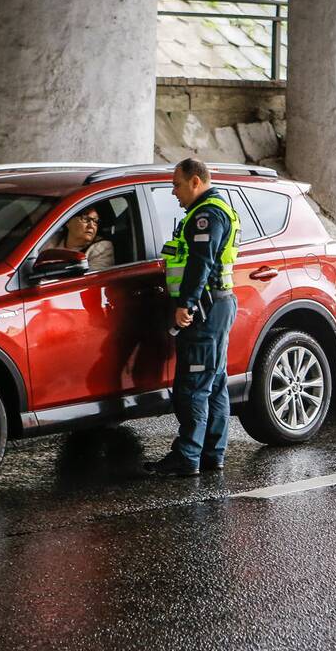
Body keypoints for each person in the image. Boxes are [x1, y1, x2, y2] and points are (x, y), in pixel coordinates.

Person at [146, 158, 240, 476]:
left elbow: (201, 262)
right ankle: (213, 454)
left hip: (205, 307)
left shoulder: (207, 214)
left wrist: (185, 303)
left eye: (177, 184)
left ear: (195, 181)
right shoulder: (216, 208)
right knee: (214, 383)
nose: (174, 192)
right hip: (217, 305)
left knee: (193, 385)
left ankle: (187, 456)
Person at [44, 204, 114, 271]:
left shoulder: (102, 247)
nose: (92, 226)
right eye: (86, 219)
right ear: (68, 222)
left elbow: (91, 278)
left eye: (96, 221)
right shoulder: (50, 239)